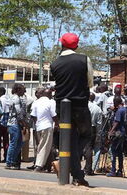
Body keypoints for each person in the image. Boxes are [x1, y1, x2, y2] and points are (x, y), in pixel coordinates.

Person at [50, 32, 93, 186]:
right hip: (80, 105)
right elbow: (89, 83)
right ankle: (73, 169)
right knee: (86, 136)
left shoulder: (54, 64)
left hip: (62, 107)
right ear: (77, 45)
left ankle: (69, 166)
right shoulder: (84, 59)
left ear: (62, 44)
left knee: (69, 140)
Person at [30, 88, 57, 172]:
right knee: (45, 146)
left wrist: (37, 123)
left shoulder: (36, 102)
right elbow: (54, 115)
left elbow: (33, 116)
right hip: (47, 126)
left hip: (38, 127)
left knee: (43, 146)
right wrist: (58, 124)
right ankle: (39, 165)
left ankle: (49, 166)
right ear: (49, 95)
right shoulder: (51, 102)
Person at [6, 84, 29, 170]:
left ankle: (12, 161)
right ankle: (9, 162)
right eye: (23, 89)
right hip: (14, 124)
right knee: (13, 143)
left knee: (19, 144)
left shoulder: (17, 98)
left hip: (16, 124)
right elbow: (19, 114)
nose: (25, 91)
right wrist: (24, 123)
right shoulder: (16, 98)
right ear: (18, 89)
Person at [107, 97, 126, 177]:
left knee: (113, 151)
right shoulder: (124, 109)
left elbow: (116, 122)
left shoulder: (119, 111)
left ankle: (113, 170)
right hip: (123, 132)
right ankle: (120, 170)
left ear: (115, 103)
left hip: (117, 133)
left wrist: (111, 131)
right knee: (120, 152)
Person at [85, 92, 102, 175]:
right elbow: (99, 124)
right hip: (92, 128)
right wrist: (98, 135)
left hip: (82, 126)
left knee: (79, 147)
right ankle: (88, 169)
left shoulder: (84, 106)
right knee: (89, 148)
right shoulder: (97, 109)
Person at [0, 87, 10, 162]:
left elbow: (0, 112)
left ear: (0, 92)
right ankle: (6, 157)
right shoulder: (8, 99)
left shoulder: (0, 100)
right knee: (6, 141)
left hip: (1, 122)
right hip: (7, 123)